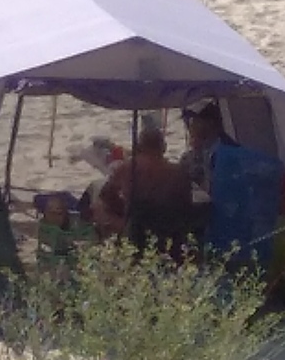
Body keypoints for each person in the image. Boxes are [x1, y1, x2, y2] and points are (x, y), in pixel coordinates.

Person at [94, 127, 192, 255]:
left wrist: (123, 211)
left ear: (139, 147)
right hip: (172, 232)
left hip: (137, 230)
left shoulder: (128, 168)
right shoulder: (178, 172)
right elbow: (187, 204)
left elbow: (106, 195)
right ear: (163, 147)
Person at [179, 101, 240, 200]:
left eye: (195, 120)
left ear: (210, 122)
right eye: (189, 121)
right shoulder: (191, 157)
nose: (191, 126)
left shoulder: (231, 152)